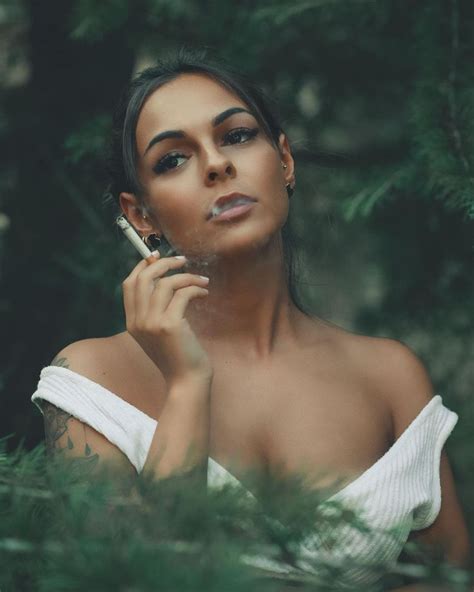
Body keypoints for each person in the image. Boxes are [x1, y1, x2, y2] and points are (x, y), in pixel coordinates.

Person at [31, 47, 470, 587]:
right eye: (174, 159)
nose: (217, 164)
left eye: (236, 135)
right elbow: (132, 579)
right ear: (140, 215)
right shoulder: (91, 380)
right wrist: (187, 387)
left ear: (284, 161)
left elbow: (447, 579)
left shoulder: (390, 377)